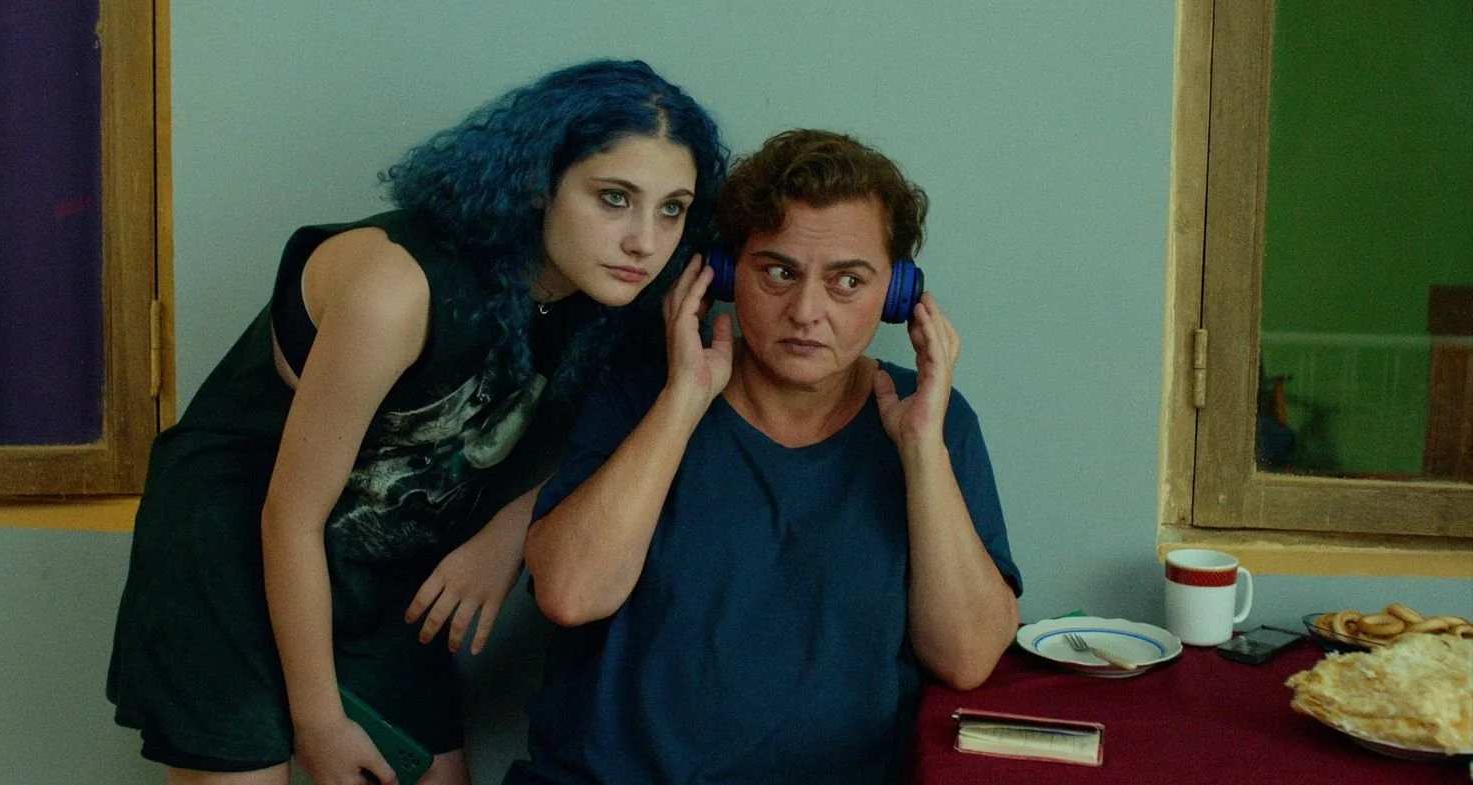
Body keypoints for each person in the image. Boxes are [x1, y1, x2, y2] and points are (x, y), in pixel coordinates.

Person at [106, 59, 728, 785]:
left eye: (672, 207)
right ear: (537, 183)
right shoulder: (394, 287)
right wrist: (319, 722)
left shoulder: (610, 296)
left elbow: (618, 446)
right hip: (235, 545)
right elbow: (289, 516)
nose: (644, 242)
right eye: (613, 198)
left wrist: (511, 530)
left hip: (381, 558)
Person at [511, 129, 1022, 784]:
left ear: (898, 296)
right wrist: (681, 403)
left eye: (847, 281)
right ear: (723, 273)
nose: (806, 311)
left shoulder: (936, 421)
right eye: (778, 272)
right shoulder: (643, 395)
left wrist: (923, 450)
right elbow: (570, 593)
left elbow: (968, 656)